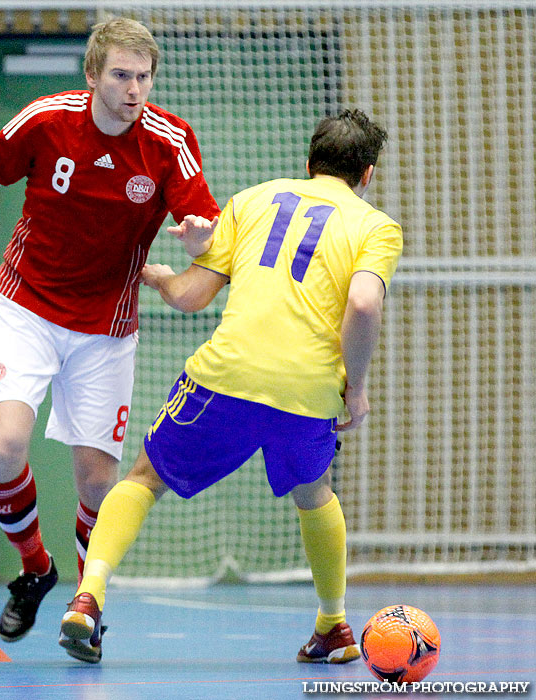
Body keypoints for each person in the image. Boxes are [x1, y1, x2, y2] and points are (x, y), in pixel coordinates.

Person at [58, 109, 403, 664]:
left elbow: (192, 295)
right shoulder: (375, 225)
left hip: (228, 374)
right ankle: (334, 625)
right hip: (308, 389)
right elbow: (363, 303)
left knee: (144, 479)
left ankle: (88, 595)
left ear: (308, 162)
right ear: (367, 175)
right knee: (315, 496)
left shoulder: (252, 200)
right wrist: (356, 388)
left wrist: (162, 278)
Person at [0, 16, 220, 663]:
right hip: (25, 306)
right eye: (120, 75)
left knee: (96, 484)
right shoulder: (46, 119)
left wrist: (199, 240)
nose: (134, 89)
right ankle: (35, 569)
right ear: (93, 76)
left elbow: (205, 233)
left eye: (144, 77)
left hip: (106, 330)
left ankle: (87, 605)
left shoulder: (170, 142)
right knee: (4, 447)